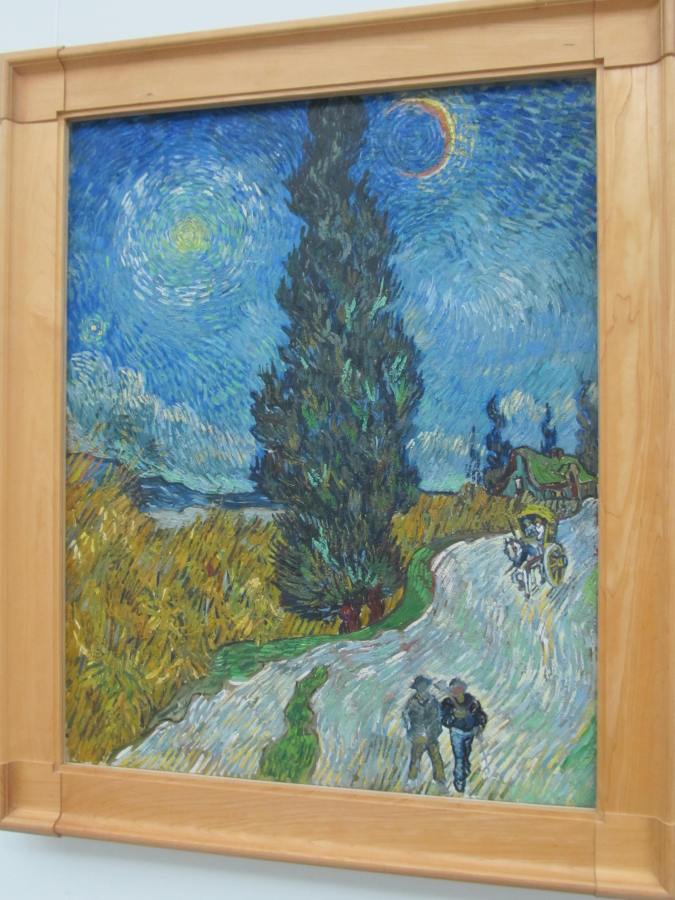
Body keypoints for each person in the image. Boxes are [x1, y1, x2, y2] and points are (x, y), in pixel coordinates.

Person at [441, 677, 487, 794]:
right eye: (453, 689)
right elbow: (444, 719)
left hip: (470, 733)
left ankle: (465, 770)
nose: (456, 691)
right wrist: (453, 716)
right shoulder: (447, 703)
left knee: (466, 755)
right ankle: (459, 782)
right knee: (459, 757)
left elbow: (481, 716)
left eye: (459, 688)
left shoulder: (472, 702)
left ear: (463, 689)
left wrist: (480, 726)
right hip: (456, 733)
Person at [402, 675, 446, 791]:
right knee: (415, 759)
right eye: (420, 686)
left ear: (427, 686)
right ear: (416, 687)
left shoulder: (433, 700)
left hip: (432, 735)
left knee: (436, 759)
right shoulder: (411, 701)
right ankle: (411, 781)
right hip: (417, 735)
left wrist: (437, 730)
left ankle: (441, 783)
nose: (422, 688)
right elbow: (405, 716)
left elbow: (439, 716)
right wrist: (409, 730)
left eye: (424, 685)